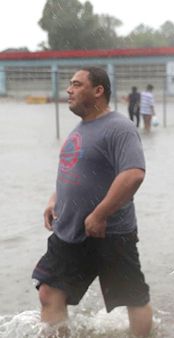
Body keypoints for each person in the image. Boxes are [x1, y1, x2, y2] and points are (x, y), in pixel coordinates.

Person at [32, 67, 153, 337]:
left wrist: (100, 213)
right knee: (49, 290)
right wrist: (54, 200)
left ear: (98, 91)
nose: (68, 90)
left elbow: (133, 174)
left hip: (110, 233)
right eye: (70, 84)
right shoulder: (79, 129)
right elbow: (72, 170)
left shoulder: (119, 128)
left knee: (133, 297)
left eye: (76, 84)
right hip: (70, 231)